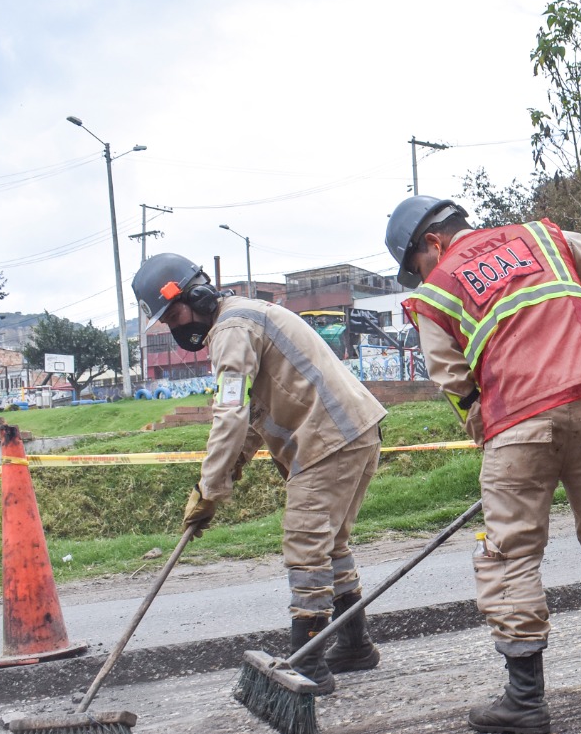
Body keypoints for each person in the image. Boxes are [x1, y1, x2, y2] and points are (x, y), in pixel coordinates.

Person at [386, 196, 581, 734]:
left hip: (518, 421)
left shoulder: (434, 294)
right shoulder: (544, 237)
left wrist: (485, 425)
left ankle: (525, 698)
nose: (422, 277)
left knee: (509, 552)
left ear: (433, 242)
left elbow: (453, 380)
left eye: (417, 267)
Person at [130, 253, 388, 692]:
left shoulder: (231, 330)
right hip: (353, 431)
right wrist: (224, 477)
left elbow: (229, 414)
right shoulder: (242, 319)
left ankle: (309, 661)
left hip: (331, 438)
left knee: (306, 541)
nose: (176, 329)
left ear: (198, 294)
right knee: (331, 542)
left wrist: (209, 488)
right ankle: (354, 645)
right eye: (167, 321)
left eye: (175, 314)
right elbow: (250, 417)